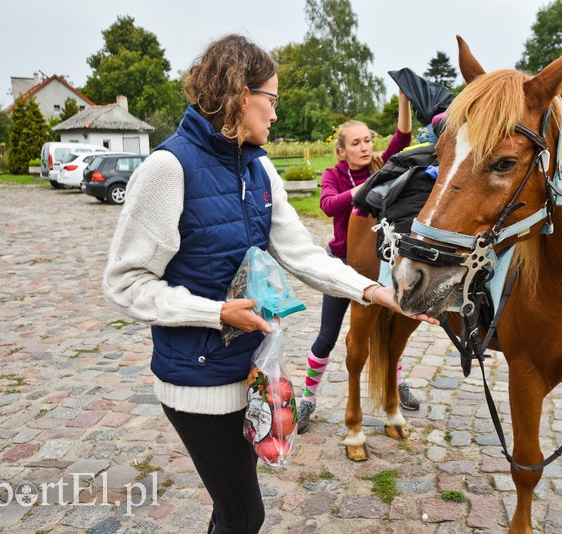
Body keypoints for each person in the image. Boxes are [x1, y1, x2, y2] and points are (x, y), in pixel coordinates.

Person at [102, 34, 435, 534]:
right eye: (272, 101)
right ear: (241, 95)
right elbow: (125, 283)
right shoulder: (168, 169)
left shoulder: (258, 168)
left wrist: (375, 291)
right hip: (196, 384)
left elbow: (301, 254)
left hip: (248, 375)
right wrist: (215, 313)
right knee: (245, 514)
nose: (276, 115)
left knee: (230, 505)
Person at [297, 92, 420, 434]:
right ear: (342, 150)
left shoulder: (382, 164)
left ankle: (394, 381)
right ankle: (307, 399)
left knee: (392, 329)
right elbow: (328, 204)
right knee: (327, 335)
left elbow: (404, 138)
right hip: (341, 265)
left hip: (380, 263)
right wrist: (365, 189)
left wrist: (404, 101)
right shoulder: (334, 175)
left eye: (367, 140)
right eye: (356, 143)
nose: (364, 147)